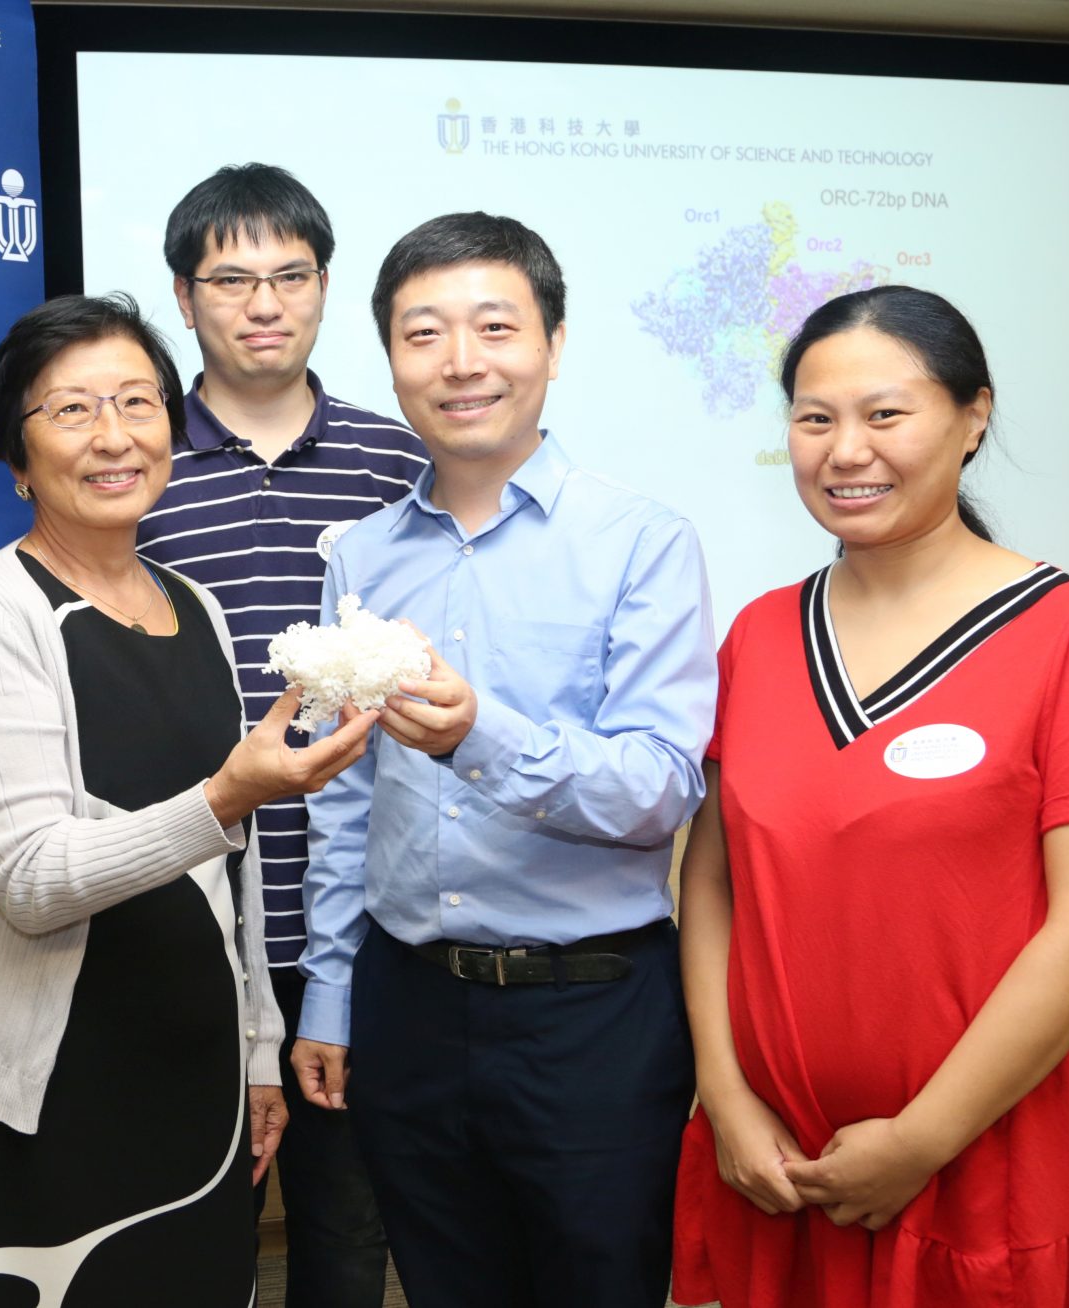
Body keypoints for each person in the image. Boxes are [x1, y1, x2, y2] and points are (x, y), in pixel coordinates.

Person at [671, 286, 1069, 1308]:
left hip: (984, 1155)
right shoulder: (758, 637)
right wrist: (722, 1095)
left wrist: (919, 1139)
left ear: (972, 415)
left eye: (883, 414)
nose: (845, 450)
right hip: (782, 1163)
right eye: (814, 419)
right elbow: (712, 882)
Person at [0, 293, 379, 1308]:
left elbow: (237, 872)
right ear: (15, 455)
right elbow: (33, 881)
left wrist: (258, 1047)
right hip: (45, 1106)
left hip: (197, 1095)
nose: (115, 435)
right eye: (72, 411)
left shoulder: (194, 605)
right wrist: (218, 798)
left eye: (137, 401)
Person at [291, 212, 717, 1307]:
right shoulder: (359, 555)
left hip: (589, 1014)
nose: (460, 362)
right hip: (407, 1004)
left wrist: (480, 736)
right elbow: (346, 802)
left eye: (493, 326)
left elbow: (660, 788)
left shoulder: (642, 541)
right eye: (422, 334)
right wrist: (331, 999)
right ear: (388, 359)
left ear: (554, 344)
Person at [136, 163, 419, 1305]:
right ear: (182, 294)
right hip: (190, 909)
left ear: (322, 287)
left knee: (345, 1231)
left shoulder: (396, 459)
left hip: (353, 918)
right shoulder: (136, 463)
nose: (263, 302)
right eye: (231, 278)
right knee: (188, 1230)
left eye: (289, 276)